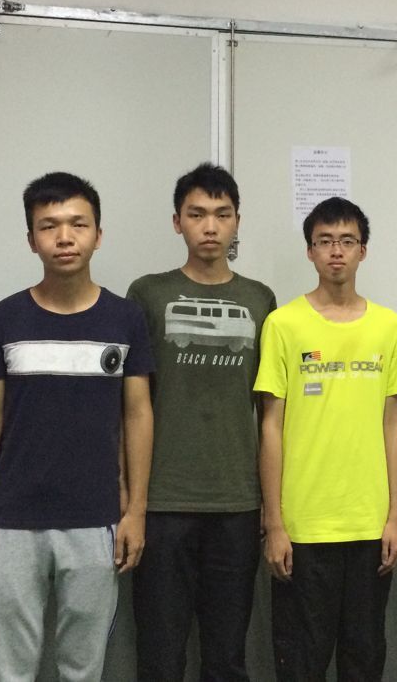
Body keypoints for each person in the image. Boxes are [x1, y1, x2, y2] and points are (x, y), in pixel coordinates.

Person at [0, 171, 155, 682]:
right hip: (9, 521)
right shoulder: (4, 318)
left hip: (97, 520)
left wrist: (135, 511)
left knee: (82, 669)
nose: (64, 237)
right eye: (49, 226)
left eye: (77, 224)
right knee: (10, 671)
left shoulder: (125, 319)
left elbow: (138, 414)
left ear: (98, 235)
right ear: (31, 239)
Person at [126, 163, 276, 681]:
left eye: (222, 214)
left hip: (237, 502)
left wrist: (270, 503)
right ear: (177, 222)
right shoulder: (147, 294)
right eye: (196, 214)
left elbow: (269, 412)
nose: (210, 226)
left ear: (237, 222)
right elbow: (132, 406)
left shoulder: (260, 299)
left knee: (227, 655)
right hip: (162, 502)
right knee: (160, 654)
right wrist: (131, 501)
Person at [255, 196, 397, 682]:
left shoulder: (389, 326)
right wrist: (275, 523)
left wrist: (395, 516)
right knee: (301, 661)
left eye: (347, 241)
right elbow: (270, 426)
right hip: (304, 527)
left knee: (363, 658)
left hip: (369, 526)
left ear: (363, 250)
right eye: (325, 241)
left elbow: (393, 424)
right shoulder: (283, 324)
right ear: (310, 251)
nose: (336, 251)